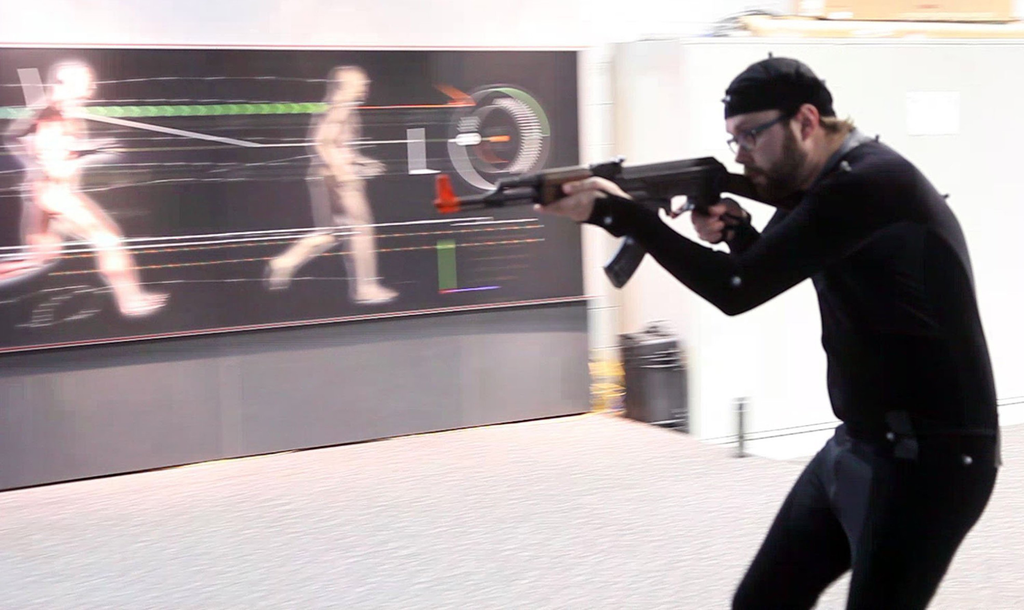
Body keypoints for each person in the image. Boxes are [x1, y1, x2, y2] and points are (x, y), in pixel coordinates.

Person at [538, 57, 1000, 609]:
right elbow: (764, 262)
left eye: (751, 134)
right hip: (860, 444)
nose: (739, 153)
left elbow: (736, 289)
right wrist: (736, 230)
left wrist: (627, 217)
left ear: (806, 121)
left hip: (934, 463)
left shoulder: (873, 183)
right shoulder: (826, 183)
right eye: (732, 139)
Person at [3, 60, 167, 317]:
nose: (92, 87)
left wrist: (91, 148)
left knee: (39, 259)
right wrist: (86, 153)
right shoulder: (55, 112)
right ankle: (131, 300)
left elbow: (29, 141)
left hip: (45, 192)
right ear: (69, 84)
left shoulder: (62, 110)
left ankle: (131, 298)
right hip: (56, 192)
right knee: (108, 238)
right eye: (86, 81)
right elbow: (51, 155)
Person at [264, 65, 398, 305]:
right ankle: (365, 287)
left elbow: (337, 144)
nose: (365, 87)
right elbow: (321, 142)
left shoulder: (334, 105)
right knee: (361, 230)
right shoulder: (341, 106)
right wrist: (343, 173)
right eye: (360, 83)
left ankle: (286, 261)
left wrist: (361, 160)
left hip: (323, 174)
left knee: (330, 233)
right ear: (344, 85)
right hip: (337, 178)